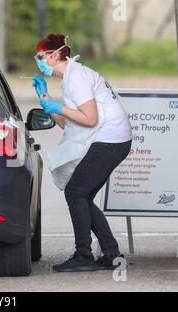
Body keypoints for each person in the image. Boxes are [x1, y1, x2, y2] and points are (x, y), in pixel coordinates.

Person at [32, 33, 132, 273]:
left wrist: (58, 106)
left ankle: (83, 255)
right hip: (113, 139)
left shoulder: (76, 77)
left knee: (75, 192)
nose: (38, 61)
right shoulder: (72, 76)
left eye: (41, 56)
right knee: (82, 195)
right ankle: (110, 254)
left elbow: (90, 119)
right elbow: (70, 124)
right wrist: (45, 99)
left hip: (110, 139)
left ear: (56, 55)